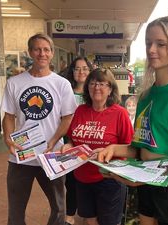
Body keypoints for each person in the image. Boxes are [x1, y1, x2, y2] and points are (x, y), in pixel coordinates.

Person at [97, 15, 168, 225]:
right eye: (148, 43)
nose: (152, 49)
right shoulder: (146, 95)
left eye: (161, 44)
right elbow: (141, 149)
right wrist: (114, 149)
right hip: (148, 184)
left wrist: (142, 177)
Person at [1, 33, 77, 225]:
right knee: (16, 209)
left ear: (51, 53)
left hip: (52, 155)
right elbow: (9, 116)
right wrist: (8, 139)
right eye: (37, 49)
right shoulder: (14, 83)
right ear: (30, 52)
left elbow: (68, 117)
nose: (42, 53)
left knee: (59, 208)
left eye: (46, 49)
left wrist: (53, 141)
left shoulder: (62, 84)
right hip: (21, 156)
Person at [62, 68, 134, 225]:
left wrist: (110, 151)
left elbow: (130, 147)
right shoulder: (80, 110)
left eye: (102, 83)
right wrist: (68, 145)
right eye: (93, 83)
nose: (96, 87)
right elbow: (73, 139)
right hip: (82, 178)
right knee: (90, 220)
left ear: (110, 89)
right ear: (87, 87)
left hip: (109, 179)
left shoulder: (119, 114)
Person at [64, 56, 93, 225]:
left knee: (88, 178)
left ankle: (87, 211)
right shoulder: (66, 92)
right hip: (70, 140)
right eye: (77, 68)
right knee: (71, 180)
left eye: (85, 68)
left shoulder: (94, 92)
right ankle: (69, 214)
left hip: (91, 141)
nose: (81, 72)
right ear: (72, 72)